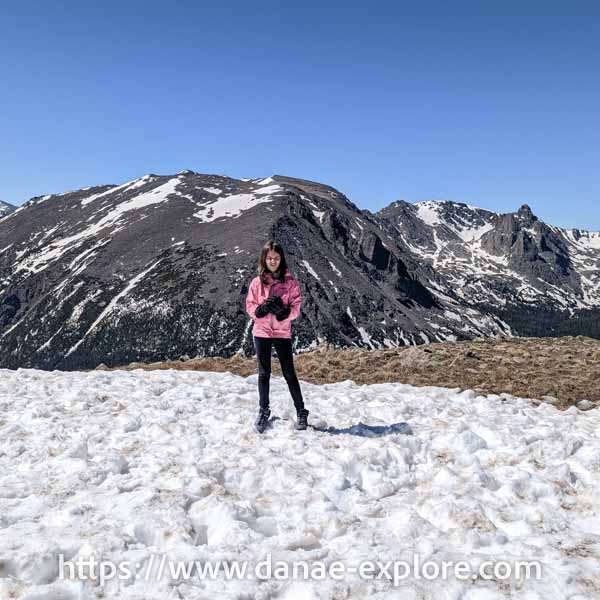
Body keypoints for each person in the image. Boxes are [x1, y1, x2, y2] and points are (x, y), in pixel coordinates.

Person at [245, 240, 310, 433]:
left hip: (282, 332)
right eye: (269, 258)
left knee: (289, 373)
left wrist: (285, 313)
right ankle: (263, 410)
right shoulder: (256, 283)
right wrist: (260, 310)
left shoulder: (290, 283)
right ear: (264, 260)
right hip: (262, 332)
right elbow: (250, 304)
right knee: (263, 374)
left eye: (276, 258)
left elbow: (297, 306)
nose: (273, 261)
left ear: (281, 260)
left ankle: (301, 411)